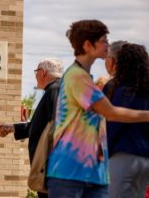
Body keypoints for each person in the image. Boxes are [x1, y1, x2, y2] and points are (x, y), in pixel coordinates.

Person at [46, 19, 149, 198]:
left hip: (92, 172)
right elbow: (111, 112)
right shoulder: (77, 77)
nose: (108, 45)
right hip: (70, 171)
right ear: (88, 45)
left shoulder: (85, 78)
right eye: (103, 41)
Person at [0, 58, 63, 198]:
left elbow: (56, 126)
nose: (35, 76)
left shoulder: (55, 89)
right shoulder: (53, 89)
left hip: (50, 166)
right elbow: (38, 126)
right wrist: (13, 127)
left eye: (36, 72)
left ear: (43, 72)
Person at [103, 43, 149, 198]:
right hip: (145, 159)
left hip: (124, 156)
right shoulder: (145, 91)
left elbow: (113, 123)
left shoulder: (123, 91)